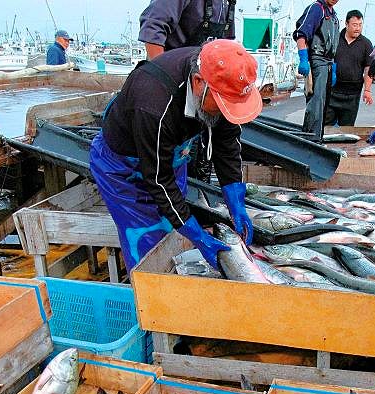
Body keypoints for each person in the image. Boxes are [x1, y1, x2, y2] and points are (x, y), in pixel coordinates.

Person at [89, 40, 261, 272]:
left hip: (170, 155)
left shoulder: (216, 68)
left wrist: (236, 201)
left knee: (173, 228)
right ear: (199, 82)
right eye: (222, 104)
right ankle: (150, 300)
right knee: (148, 242)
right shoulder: (154, 103)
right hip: (122, 167)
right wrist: (198, 236)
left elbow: (227, 141)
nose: (225, 112)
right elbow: (159, 181)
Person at [295, 0, 340, 137]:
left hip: (328, 63)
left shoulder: (334, 16)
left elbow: (334, 44)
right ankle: (311, 140)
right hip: (317, 60)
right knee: (316, 104)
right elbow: (301, 35)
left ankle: (318, 138)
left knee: (324, 106)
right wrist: (303, 59)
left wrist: (333, 66)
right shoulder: (316, 9)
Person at [139, 0, 237, 59]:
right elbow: (152, 27)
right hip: (172, 75)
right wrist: (162, 76)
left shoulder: (228, 2)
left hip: (203, 79)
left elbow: (228, 42)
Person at [324, 10, 373, 127]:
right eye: (355, 25)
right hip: (332, 91)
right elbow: (325, 61)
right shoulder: (335, 39)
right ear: (346, 24)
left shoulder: (366, 44)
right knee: (326, 127)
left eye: (360, 25)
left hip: (353, 93)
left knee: (347, 129)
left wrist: (367, 90)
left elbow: (368, 68)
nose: (358, 28)